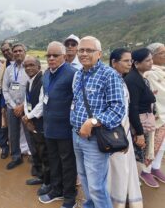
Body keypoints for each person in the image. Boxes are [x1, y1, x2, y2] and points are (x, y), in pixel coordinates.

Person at [71, 36, 125, 208]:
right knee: (84, 177)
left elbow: (117, 110)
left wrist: (92, 122)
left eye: (89, 50)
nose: (84, 53)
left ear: (99, 54)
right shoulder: (79, 74)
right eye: (81, 50)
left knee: (96, 186)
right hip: (76, 135)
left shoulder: (109, 75)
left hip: (95, 138)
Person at [38, 41, 77, 208]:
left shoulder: (73, 74)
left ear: (65, 57)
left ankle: (69, 197)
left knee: (67, 163)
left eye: (55, 55)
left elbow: (78, 101)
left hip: (66, 129)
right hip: (50, 127)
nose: (51, 58)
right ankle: (56, 190)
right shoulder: (46, 74)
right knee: (54, 161)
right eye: (49, 55)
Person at [108, 48, 143, 208]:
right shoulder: (111, 80)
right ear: (114, 62)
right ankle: (116, 202)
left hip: (124, 130)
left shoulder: (121, 78)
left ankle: (124, 199)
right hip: (115, 132)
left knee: (125, 167)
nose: (130, 63)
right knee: (118, 168)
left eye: (131, 61)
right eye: (126, 61)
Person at [124, 48, 157, 188]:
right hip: (138, 124)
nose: (151, 63)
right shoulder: (132, 80)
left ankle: (133, 183)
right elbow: (133, 107)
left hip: (143, 122)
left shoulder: (139, 77)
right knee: (136, 155)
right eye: (147, 60)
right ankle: (132, 185)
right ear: (136, 63)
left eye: (151, 59)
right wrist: (139, 133)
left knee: (139, 154)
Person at [22, 56, 51, 196]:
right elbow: (26, 100)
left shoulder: (43, 80)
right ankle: (40, 176)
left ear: (39, 67)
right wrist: (27, 117)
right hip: (32, 121)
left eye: (31, 65)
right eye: (26, 66)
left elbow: (42, 104)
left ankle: (48, 182)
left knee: (45, 153)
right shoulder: (29, 82)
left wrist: (29, 116)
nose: (28, 68)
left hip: (41, 122)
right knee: (37, 151)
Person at [3, 43, 31, 170]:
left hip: (27, 106)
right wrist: (14, 106)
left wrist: (23, 106)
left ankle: (34, 157)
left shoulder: (30, 67)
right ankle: (16, 157)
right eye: (15, 51)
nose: (18, 53)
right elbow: (5, 89)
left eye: (20, 50)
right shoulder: (9, 69)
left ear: (25, 52)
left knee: (30, 132)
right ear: (12, 53)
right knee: (12, 133)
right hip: (12, 107)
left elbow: (34, 90)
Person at [142, 43, 165, 187]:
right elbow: (159, 94)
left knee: (162, 145)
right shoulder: (149, 73)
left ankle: (156, 168)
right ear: (153, 56)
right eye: (162, 53)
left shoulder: (163, 70)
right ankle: (145, 171)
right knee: (152, 144)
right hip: (156, 115)